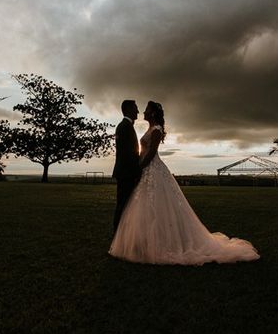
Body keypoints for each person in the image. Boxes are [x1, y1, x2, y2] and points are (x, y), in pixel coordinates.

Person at [109, 101, 260, 265]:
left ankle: (157, 244)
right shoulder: (136, 128)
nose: (141, 112)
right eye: (139, 109)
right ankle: (139, 242)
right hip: (143, 171)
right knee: (141, 206)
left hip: (152, 170)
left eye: (145, 110)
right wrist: (138, 168)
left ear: (152, 113)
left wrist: (139, 168)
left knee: (157, 206)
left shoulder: (156, 130)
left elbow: (151, 153)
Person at [111, 100, 142, 235]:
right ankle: (117, 236)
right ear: (128, 109)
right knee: (123, 205)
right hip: (126, 174)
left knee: (125, 205)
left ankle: (121, 235)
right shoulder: (125, 127)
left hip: (125, 172)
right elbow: (128, 154)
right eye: (136, 108)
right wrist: (136, 172)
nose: (138, 111)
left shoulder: (125, 126)